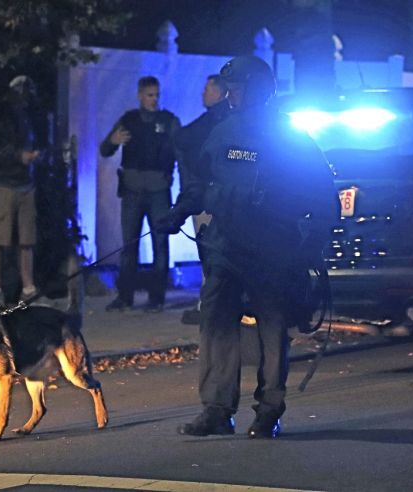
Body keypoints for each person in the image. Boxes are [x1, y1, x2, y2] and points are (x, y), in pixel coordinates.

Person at [156, 56, 338, 438]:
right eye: (228, 88)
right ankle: (217, 410)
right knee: (216, 322)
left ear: (257, 89)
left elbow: (324, 198)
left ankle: (269, 410)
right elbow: (200, 183)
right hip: (225, 246)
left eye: (236, 88)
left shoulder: (290, 137)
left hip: (272, 249)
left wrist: (308, 249)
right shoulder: (223, 131)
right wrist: (176, 212)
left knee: (272, 330)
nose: (230, 95)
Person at [99, 76, 181, 313]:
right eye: (149, 95)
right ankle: (125, 297)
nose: (154, 100)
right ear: (140, 95)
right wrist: (113, 141)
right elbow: (105, 149)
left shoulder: (169, 121)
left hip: (158, 191)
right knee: (129, 246)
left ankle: (157, 298)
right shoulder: (129, 120)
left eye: (157, 95)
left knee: (160, 244)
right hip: (133, 191)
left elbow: (181, 152)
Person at [0, 75, 42, 308]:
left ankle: (28, 288)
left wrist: (32, 157)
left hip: (24, 183)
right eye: (22, 93)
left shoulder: (25, 117)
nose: (25, 98)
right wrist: (17, 156)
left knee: (27, 238)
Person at [174, 74, 230, 325]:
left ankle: (211, 304)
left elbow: (184, 140)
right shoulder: (219, 119)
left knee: (211, 253)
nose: (203, 93)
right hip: (212, 196)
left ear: (220, 92)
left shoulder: (215, 121)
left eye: (208, 88)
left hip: (210, 198)